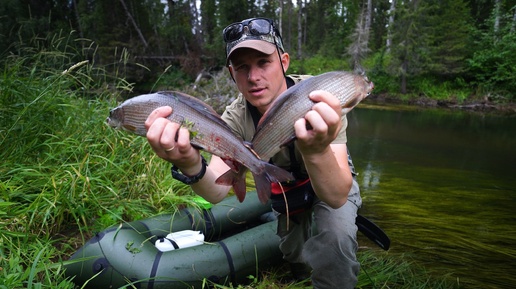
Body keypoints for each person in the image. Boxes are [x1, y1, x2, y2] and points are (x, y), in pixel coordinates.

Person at [144, 17, 362, 289]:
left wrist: (316, 152)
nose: (254, 77)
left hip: (330, 176)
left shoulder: (321, 98)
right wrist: (190, 163)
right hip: (284, 186)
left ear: (284, 62)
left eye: (263, 63)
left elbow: (337, 195)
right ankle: (300, 271)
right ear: (231, 73)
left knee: (336, 240)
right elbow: (216, 190)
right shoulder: (234, 119)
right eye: (242, 67)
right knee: (294, 252)